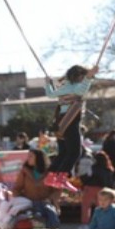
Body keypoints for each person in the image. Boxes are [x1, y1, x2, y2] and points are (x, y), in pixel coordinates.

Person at [44, 64, 99, 192]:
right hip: (70, 119)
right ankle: (62, 177)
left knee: (63, 152)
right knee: (75, 152)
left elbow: (50, 94)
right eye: (83, 76)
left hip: (60, 121)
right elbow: (82, 90)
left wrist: (48, 84)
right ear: (78, 76)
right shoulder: (74, 87)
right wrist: (89, 78)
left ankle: (51, 176)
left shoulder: (64, 87)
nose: (83, 79)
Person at [0, 149, 60, 229]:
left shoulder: (50, 172)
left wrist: (50, 199)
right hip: (29, 202)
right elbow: (17, 188)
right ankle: (2, 225)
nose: (28, 158)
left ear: (38, 158)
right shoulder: (25, 172)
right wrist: (12, 194)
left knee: (51, 216)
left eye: (31, 156)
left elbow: (57, 190)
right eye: (28, 156)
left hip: (45, 203)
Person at [79, 151, 115, 225]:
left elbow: (86, 177)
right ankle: (101, 222)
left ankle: (85, 223)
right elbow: (110, 181)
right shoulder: (109, 169)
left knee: (86, 207)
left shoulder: (92, 167)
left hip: (90, 188)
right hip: (102, 189)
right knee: (101, 206)